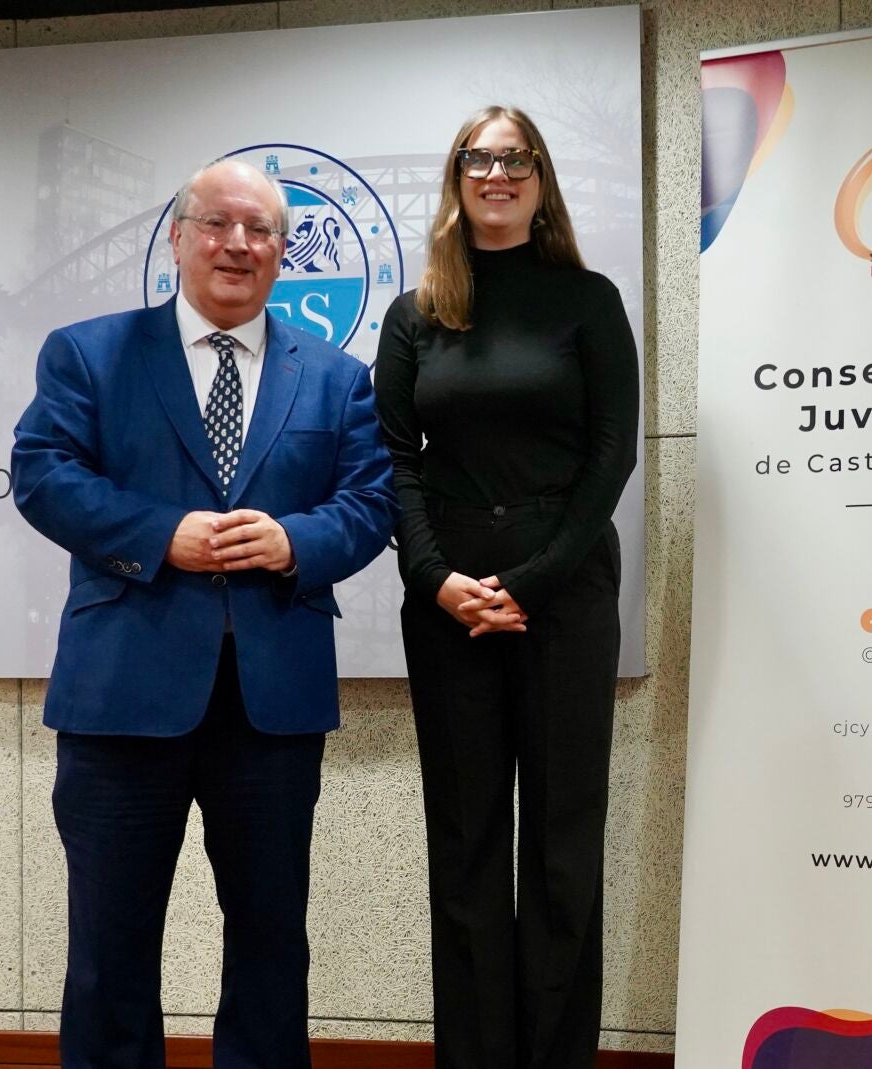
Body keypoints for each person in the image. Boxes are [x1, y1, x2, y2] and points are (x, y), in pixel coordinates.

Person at [12, 158, 396, 1069]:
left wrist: (294, 539)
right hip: (121, 696)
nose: (238, 244)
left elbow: (371, 502)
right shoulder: (89, 352)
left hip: (271, 708)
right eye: (218, 223)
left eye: (260, 230)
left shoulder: (339, 378)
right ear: (179, 238)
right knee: (108, 951)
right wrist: (162, 534)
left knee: (271, 948)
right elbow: (43, 473)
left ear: (283, 253)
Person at [372, 106, 638, 1069]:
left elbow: (612, 456)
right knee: (467, 845)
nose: (497, 173)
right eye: (478, 158)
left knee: (563, 845)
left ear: (540, 177)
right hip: (447, 606)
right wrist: (435, 578)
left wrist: (530, 579)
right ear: (457, 177)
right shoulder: (416, 314)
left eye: (515, 157)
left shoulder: (589, 300)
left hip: (564, 595)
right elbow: (396, 461)